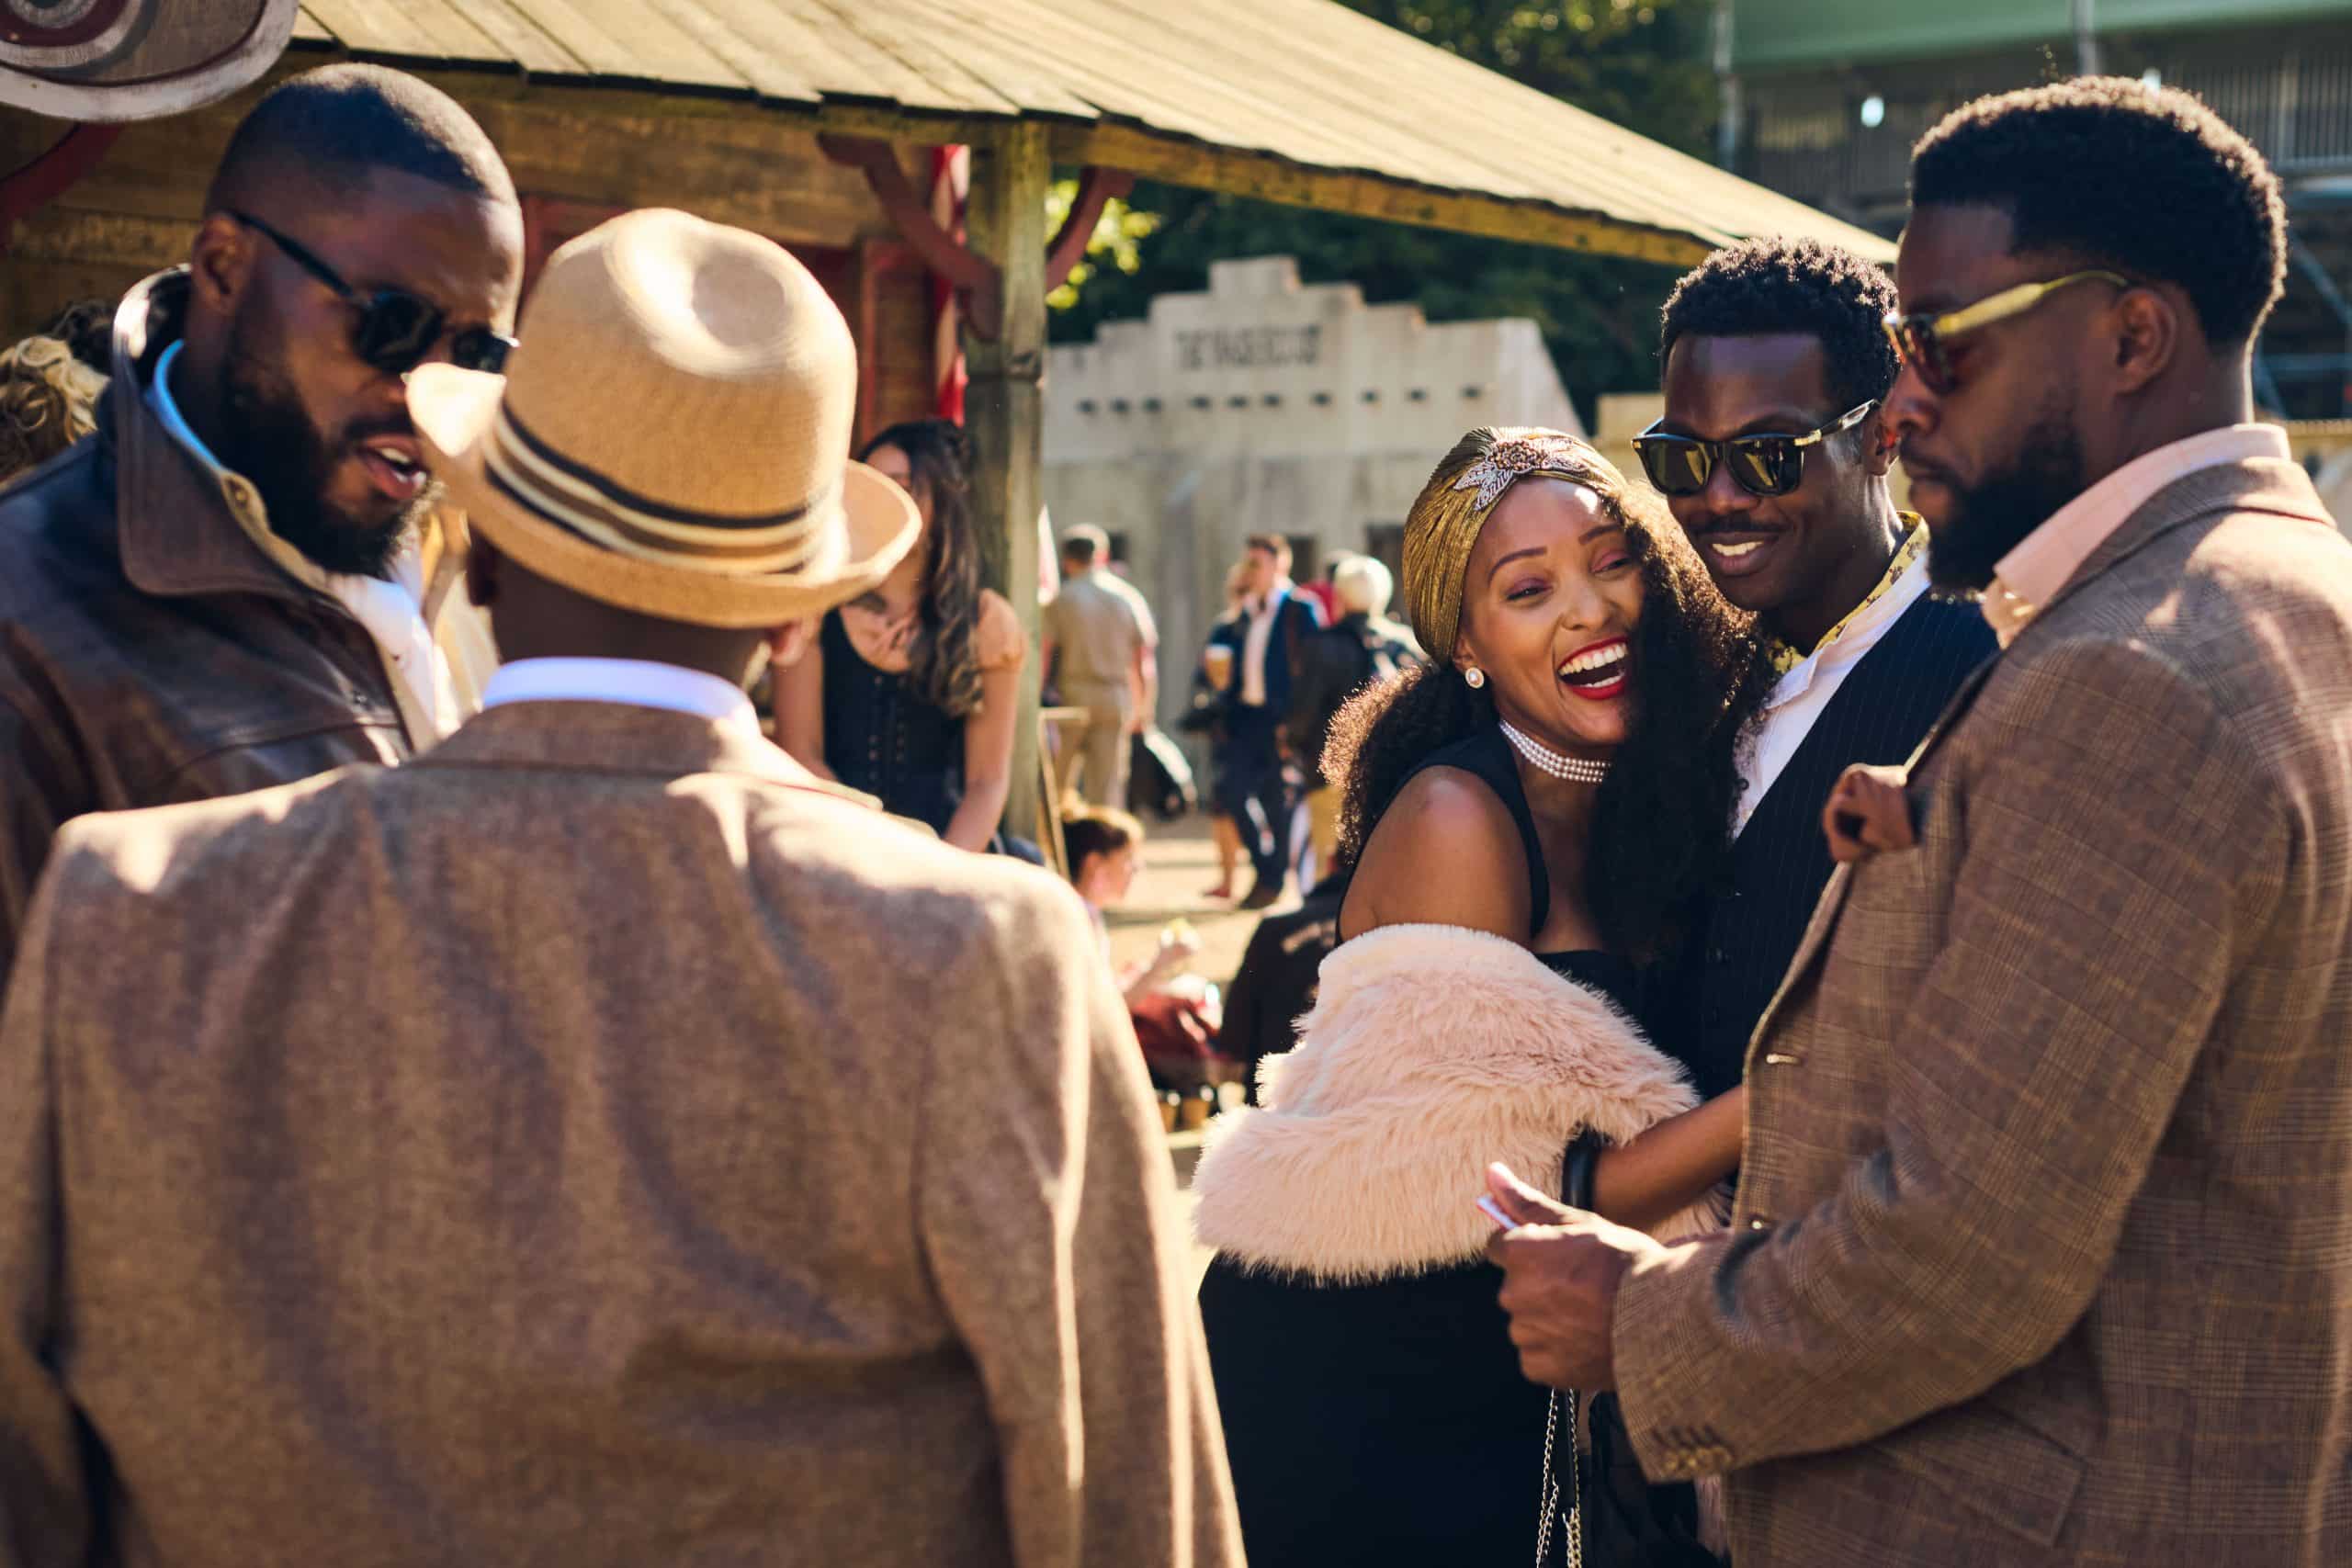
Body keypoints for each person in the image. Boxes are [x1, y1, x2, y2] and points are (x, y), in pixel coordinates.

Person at [0, 208, 1242, 1568]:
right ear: (791, 610)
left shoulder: (135, 910)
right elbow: (1134, 1517)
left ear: (478, 539)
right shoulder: (991, 960)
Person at [1485, 79, 2352, 1568]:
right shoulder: (2285, 591)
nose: (1902, 405)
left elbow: (1968, 1252)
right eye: (1899, 350)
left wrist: (1638, 1316)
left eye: (1944, 342)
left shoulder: (2130, 674)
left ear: (2132, 335)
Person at [1190, 427, 1768, 1567]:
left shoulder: (1662, 788)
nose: (1589, 609)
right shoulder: (1459, 821)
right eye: (1528, 589)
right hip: (1355, 1376)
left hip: (1513, 1363)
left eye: (1613, 562)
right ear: (1465, 641)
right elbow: (1520, 1193)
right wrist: (1793, 1084)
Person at [0, 64, 520, 983]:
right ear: (224, 270)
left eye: (476, 355)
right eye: (392, 329)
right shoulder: (27, 621)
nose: (431, 400)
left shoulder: (477, 561)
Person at [1633, 236, 1996, 1105]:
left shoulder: (1997, 661)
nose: (1720, 496)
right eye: (1684, 457)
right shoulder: (1677, 663)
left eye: (1769, 455)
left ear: (1882, 437)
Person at [774, 419, 1023, 852]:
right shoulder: (815, 612)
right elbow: (802, 754)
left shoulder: (986, 621)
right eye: (872, 487)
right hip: (837, 844)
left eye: (903, 486)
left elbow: (987, 781)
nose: (884, 503)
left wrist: (943, 870)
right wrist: (879, 850)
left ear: (942, 500)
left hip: (953, 852)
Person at [1282, 552, 1423, 883]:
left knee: (1328, 866)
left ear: (1340, 595)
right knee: (1388, 864)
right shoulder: (1404, 646)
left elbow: (1303, 711)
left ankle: (1326, 929)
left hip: (1333, 773)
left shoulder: (1319, 646)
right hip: (1395, 775)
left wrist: (1293, 747)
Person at [1203, 533, 1322, 909]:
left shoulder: (1299, 610)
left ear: (1279, 565)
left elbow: (1311, 671)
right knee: (1232, 792)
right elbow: (1220, 657)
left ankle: (1270, 881)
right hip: (1243, 719)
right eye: (1248, 563)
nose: (1249, 570)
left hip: (1280, 721)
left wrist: (1297, 721)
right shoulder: (1244, 612)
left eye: (1257, 563)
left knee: (1277, 802)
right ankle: (1268, 870)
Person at [1042, 523, 1158, 809]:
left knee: (1057, 785)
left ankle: (1058, 848)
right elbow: (1143, 662)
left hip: (1071, 700)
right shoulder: (1128, 597)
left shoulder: (1062, 599)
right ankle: (1104, 851)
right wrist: (1144, 708)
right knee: (1106, 789)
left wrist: (1039, 696)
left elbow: (1045, 653)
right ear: (1102, 556)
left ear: (1067, 560)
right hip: (1115, 698)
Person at [1187, 558, 1254, 898]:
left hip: (1256, 729)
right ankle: (1228, 880)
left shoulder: (1268, 626)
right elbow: (1204, 679)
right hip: (1226, 728)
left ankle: (1256, 875)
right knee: (1222, 805)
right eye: (1238, 589)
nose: (1242, 595)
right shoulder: (1224, 629)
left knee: (1251, 805)